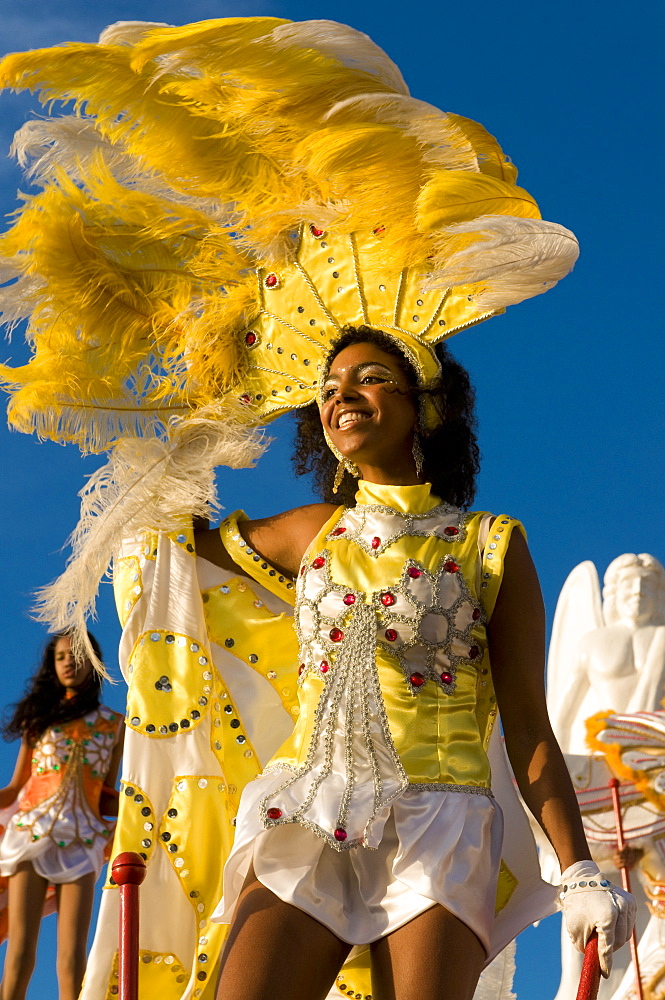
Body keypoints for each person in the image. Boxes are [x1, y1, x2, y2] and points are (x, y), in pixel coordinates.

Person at [192, 325, 636, 1000]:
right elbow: (171, 549)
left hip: (442, 823)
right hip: (308, 808)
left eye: (368, 378)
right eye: (329, 387)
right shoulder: (309, 531)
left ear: (427, 403)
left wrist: (577, 872)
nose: (342, 395)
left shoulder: (491, 544)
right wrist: (191, 421)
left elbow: (527, 723)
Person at [0, 633, 124, 1000]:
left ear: (94, 662)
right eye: (61, 657)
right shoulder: (39, 722)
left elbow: (106, 795)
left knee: (72, 954)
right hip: (31, 832)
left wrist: (145, 804)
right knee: (21, 949)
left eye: (76, 655)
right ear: (52, 667)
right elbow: (17, 785)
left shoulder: (115, 726)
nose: (69, 662)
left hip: (83, 838)